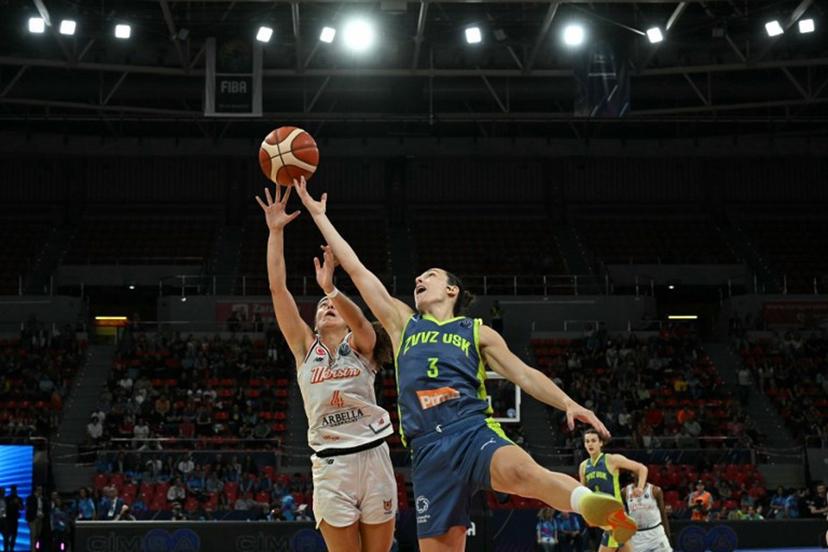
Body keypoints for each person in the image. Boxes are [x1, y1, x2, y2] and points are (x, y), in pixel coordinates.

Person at [294, 177, 637, 552]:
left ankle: (593, 507)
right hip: (427, 449)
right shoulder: (402, 322)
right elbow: (358, 270)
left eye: (431, 275)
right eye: (418, 277)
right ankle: (591, 506)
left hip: (471, 429)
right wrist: (318, 215)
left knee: (523, 473)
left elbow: (523, 374)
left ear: (452, 290)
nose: (419, 278)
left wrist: (567, 402)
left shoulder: (477, 331)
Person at [256, 185, 397, 552]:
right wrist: (275, 232)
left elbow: (364, 322)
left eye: (330, 304)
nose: (326, 306)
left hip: (374, 454)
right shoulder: (305, 348)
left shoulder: (362, 344)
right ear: (314, 324)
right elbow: (277, 289)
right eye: (320, 306)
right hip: (332, 465)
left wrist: (331, 288)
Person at [579, 429, 648, 552]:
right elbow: (584, 494)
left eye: (593, 441)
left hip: (616, 516)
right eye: (587, 441)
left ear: (601, 443)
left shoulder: (611, 460)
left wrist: (640, 488)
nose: (590, 444)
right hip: (602, 518)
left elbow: (642, 468)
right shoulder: (584, 466)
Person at [623, 481, 672, 552]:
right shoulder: (625, 491)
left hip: (656, 533)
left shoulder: (655, 490)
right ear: (632, 473)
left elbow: (663, 514)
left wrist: (668, 534)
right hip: (637, 536)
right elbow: (625, 515)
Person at [25, 485, 47, 552]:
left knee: (38, 535)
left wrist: (43, 514)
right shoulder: (30, 498)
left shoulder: (43, 499)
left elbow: (45, 508)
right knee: (33, 535)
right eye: (39, 489)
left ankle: (36, 549)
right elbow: (29, 509)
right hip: (33, 519)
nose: (41, 491)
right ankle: (33, 550)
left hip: (40, 519)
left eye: (41, 489)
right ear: (36, 490)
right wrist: (34, 516)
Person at [5, 485, 22, 552]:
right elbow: (4, 507)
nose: (14, 491)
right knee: (7, 535)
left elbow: (22, 508)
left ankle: (12, 548)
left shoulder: (18, 498)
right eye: (13, 490)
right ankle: (6, 548)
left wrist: (18, 503)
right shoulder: (7, 498)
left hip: (15, 519)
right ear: (11, 490)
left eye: (15, 490)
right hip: (8, 519)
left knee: (14, 535)